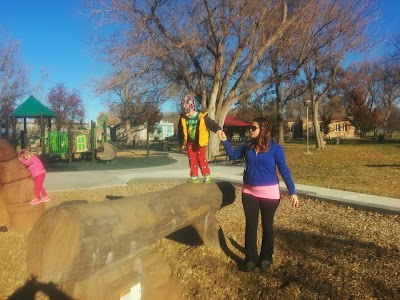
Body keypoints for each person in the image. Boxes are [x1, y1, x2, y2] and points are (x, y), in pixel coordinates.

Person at [219, 117, 299, 272]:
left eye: (253, 128)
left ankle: (266, 257)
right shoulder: (248, 146)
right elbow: (233, 155)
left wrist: (293, 192)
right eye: (250, 127)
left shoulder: (275, 148)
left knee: (267, 226)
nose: (250, 130)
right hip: (249, 192)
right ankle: (250, 258)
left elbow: (284, 170)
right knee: (251, 225)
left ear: (262, 129)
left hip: (269, 193)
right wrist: (225, 141)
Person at [178, 95, 224, 183]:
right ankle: (194, 176)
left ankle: (206, 175)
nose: (187, 115)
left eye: (188, 112)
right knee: (192, 159)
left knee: (201, 159)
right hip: (190, 143)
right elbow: (181, 131)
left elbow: (211, 124)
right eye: (185, 113)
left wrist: (218, 129)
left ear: (193, 108)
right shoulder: (183, 118)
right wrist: (181, 142)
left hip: (200, 142)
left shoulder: (202, 116)